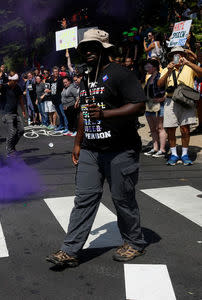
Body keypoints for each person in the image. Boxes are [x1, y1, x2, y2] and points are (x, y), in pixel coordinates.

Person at [46, 29, 148, 268]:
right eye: (84, 49)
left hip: (120, 148)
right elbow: (84, 113)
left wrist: (106, 114)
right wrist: (78, 143)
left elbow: (139, 106)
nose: (88, 52)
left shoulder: (120, 74)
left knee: (122, 198)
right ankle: (70, 250)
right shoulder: (88, 78)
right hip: (91, 150)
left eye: (93, 47)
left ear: (105, 49)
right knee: (84, 198)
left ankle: (134, 242)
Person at [157, 46, 202, 166]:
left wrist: (188, 62)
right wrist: (169, 71)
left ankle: (185, 154)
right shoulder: (167, 68)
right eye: (175, 54)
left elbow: (201, 73)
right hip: (171, 100)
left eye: (180, 54)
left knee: (185, 129)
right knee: (171, 129)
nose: (178, 56)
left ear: (184, 56)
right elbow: (160, 84)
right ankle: (174, 154)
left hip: (187, 100)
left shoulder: (189, 66)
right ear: (171, 57)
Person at [0, 69, 27, 156]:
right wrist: (1, 72)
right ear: (11, 80)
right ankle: (9, 150)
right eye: (15, 81)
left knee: (21, 131)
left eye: (17, 81)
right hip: (7, 113)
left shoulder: (17, 87)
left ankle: (12, 146)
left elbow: (21, 99)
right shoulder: (5, 87)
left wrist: (23, 111)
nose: (16, 82)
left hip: (15, 113)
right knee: (12, 132)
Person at [143, 59, 167, 158]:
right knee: (152, 129)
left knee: (160, 128)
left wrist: (162, 98)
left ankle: (162, 149)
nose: (146, 69)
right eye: (146, 67)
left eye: (148, 67)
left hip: (158, 105)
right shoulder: (149, 78)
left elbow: (167, 89)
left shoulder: (160, 76)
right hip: (149, 105)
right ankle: (155, 147)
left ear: (155, 67)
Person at [46, 67, 68, 133]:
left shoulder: (60, 79)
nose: (56, 73)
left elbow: (63, 89)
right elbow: (52, 90)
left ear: (58, 72)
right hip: (54, 100)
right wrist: (48, 91)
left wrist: (64, 98)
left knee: (63, 114)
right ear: (52, 72)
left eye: (57, 71)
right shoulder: (51, 80)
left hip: (60, 99)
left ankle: (67, 127)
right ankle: (61, 125)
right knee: (59, 114)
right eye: (54, 71)